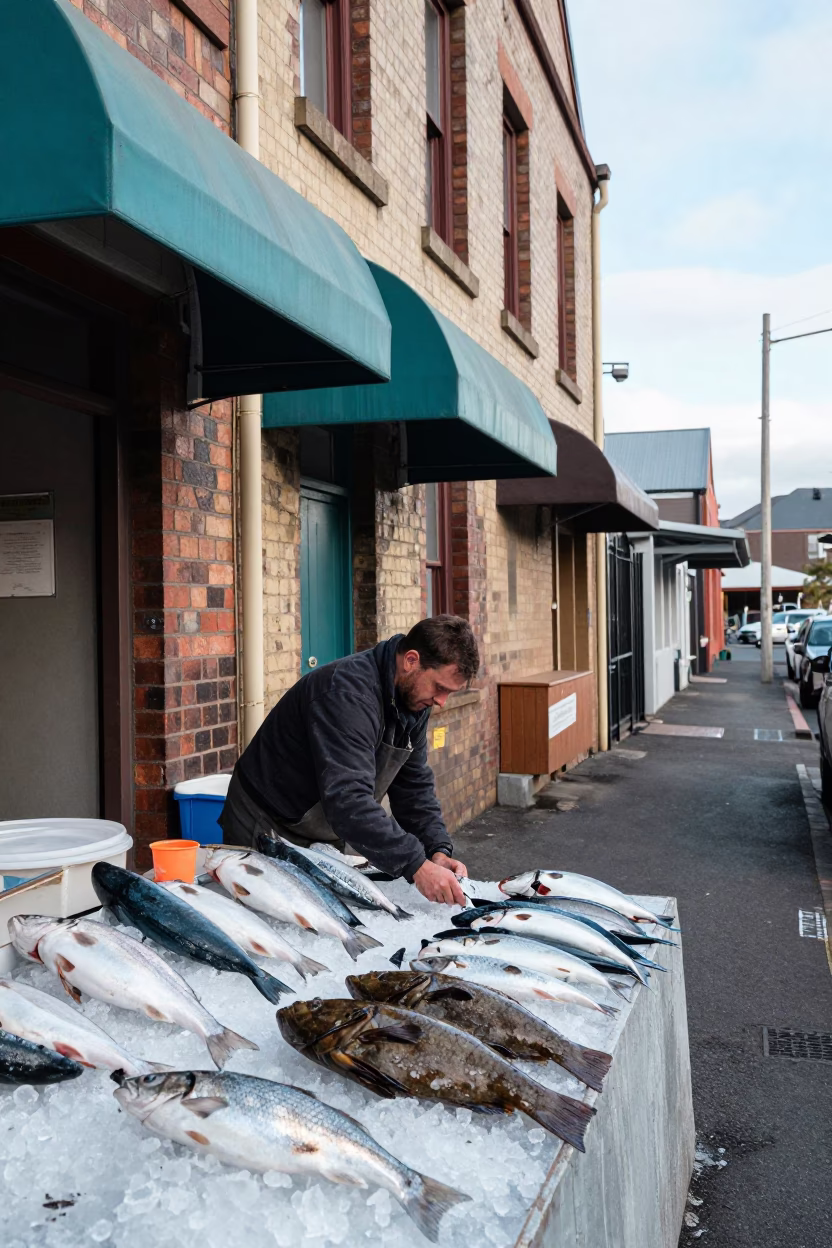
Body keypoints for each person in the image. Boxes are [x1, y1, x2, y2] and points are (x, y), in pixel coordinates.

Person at [219, 615, 480, 906]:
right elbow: (349, 801)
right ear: (411, 660)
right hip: (266, 823)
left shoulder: (413, 702)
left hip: (324, 827)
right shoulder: (346, 693)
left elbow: (414, 787)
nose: (442, 701)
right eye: (439, 687)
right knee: (271, 924)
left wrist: (436, 850)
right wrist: (416, 865)